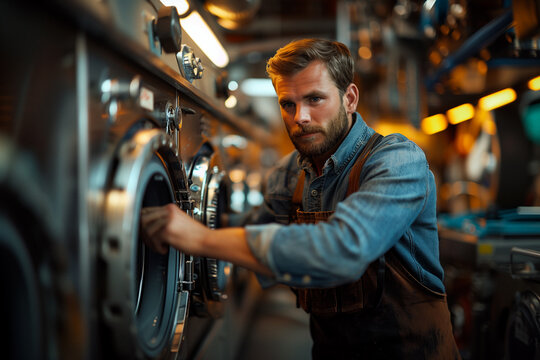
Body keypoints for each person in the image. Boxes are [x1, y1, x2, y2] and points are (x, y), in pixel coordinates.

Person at [141, 38, 460, 359]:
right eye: (287, 104)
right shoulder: (289, 173)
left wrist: (200, 239)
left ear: (349, 99)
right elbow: (246, 234)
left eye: (315, 99)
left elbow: (345, 249)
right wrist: (167, 221)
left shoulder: (398, 159)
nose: (300, 117)